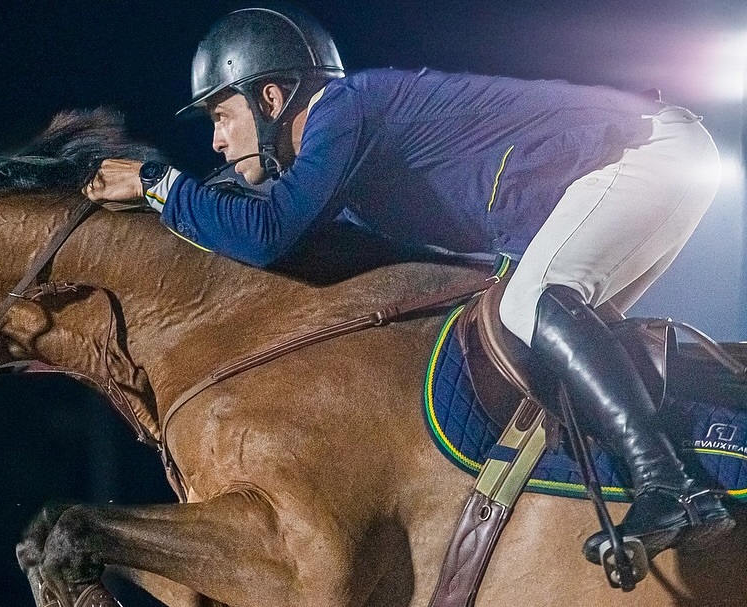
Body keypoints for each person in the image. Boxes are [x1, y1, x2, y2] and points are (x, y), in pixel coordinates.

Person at [83, 5, 733, 565]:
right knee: (550, 337)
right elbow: (258, 228)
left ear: (272, 100)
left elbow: (263, 233)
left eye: (221, 117)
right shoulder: (339, 162)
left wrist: (155, 182)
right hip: (655, 159)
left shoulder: (345, 109)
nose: (219, 143)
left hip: (644, 152)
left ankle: (665, 484)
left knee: (532, 304)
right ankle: (705, 468)